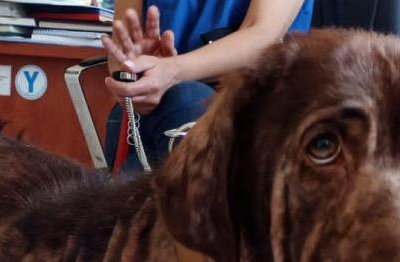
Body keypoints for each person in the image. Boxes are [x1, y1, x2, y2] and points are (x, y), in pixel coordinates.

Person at [103, 0, 312, 173]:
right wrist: (134, 72)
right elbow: (121, 47)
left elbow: (262, 34)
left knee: (186, 101)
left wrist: (172, 70)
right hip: (147, 109)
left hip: (242, 108)